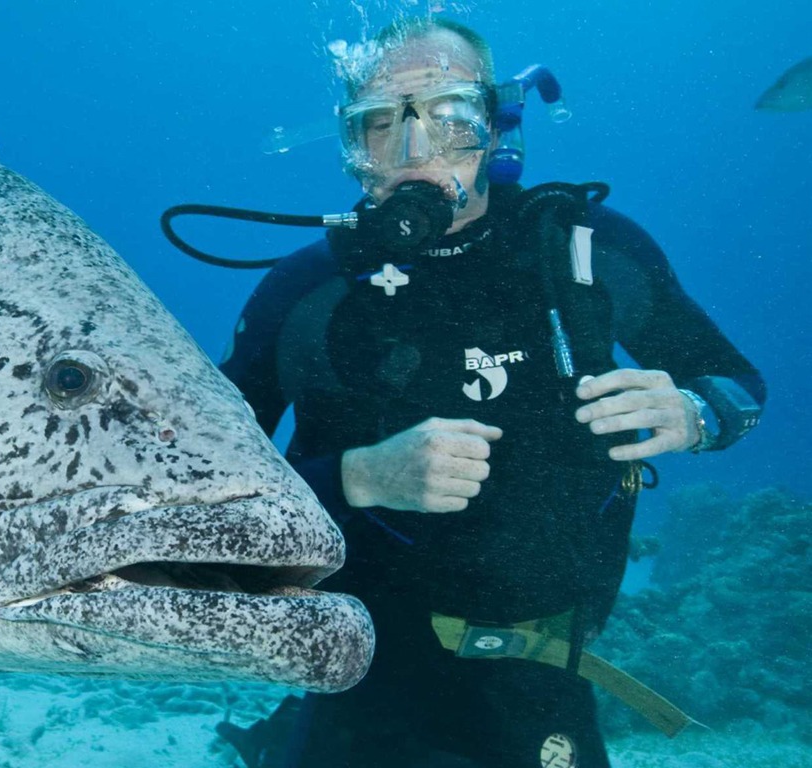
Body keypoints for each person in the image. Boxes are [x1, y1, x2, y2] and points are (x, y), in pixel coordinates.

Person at [215, 17, 765, 768]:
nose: (416, 153)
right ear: (354, 152)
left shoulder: (587, 252)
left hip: (542, 666)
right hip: (360, 668)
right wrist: (362, 475)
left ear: (499, 127)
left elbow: (737, 382)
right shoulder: (305, 293)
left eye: (449, 120)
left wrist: (696, 413)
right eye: (380, 126)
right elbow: (205, 488)